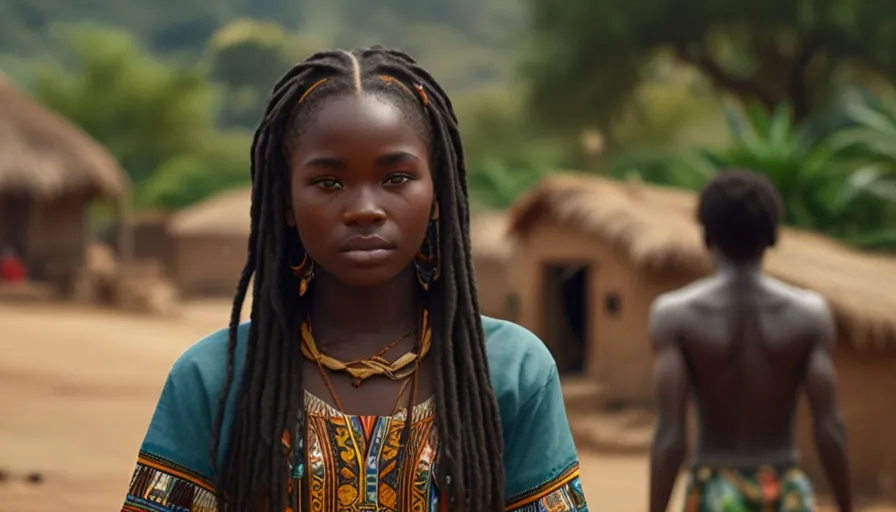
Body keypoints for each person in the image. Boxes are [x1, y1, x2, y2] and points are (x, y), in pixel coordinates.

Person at [122, 47, 587, 512]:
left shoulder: (510, 372)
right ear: (285, 200)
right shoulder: (215, 378)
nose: (365, 208)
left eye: (396, 178)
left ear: (438, 194)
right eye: (328, 182)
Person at [648, 170, 852, 512]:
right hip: (785, 490)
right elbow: (829, 428)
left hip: (715, 492)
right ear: (772, 237)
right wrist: (847, 507)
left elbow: (671, 437)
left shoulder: (676, 316)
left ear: (708, 237)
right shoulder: (809, 315)